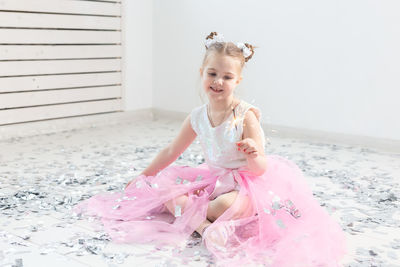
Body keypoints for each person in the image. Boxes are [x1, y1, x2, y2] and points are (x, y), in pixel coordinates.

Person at [74, 32, 347, 266]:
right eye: (212, 73)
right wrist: (143, 175)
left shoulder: (244, 115)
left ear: (237, 81)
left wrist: (253, 153)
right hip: (215, 179)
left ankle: (203, 220)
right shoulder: (197, 116)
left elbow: (261, 167)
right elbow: (171, 151)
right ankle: (205, 229)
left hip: (247, 183)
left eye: (227, 77)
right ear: (202, 73)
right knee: (165, 191)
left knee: (222, 208)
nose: (218, 82)